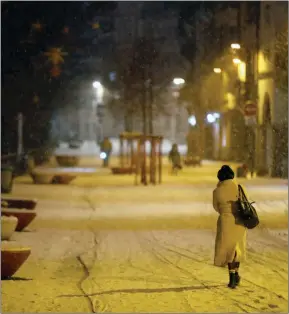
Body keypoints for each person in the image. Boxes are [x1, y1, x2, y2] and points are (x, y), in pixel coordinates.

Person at [213, 165, 247, 289]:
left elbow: (216, 207)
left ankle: (232, 278)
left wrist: (225, 212)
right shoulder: (238, 187)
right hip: (239, 221)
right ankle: (236, 275)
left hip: (225, 221)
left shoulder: (217, 191)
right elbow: (245, 202)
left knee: (228, 250)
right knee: (236, 249)